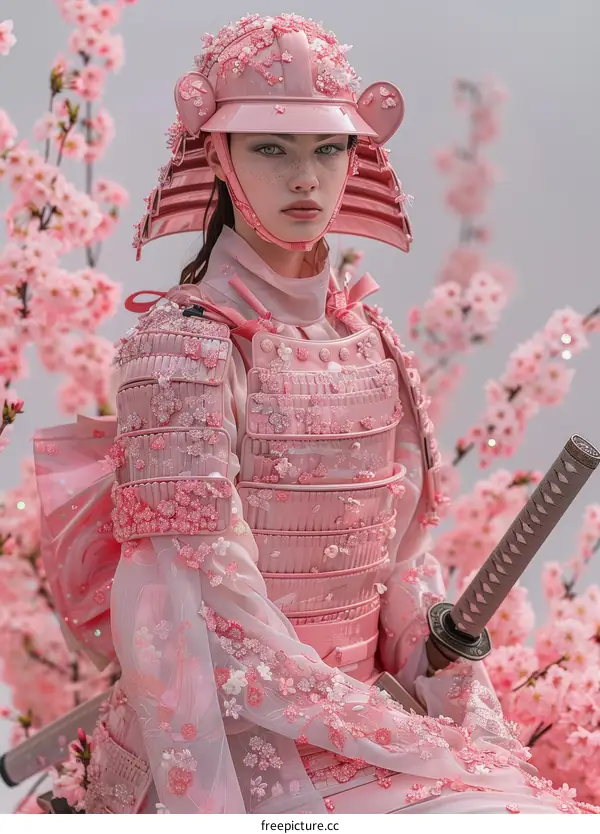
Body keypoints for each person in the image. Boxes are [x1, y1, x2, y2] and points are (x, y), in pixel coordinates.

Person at [23, 12, 600, 814]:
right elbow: (201, 599)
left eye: (328, 149)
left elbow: (402, 554)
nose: (306, 179)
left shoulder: (370, 335)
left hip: (378, 719)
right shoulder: (178, 347)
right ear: (220, 159)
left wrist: (432, 651)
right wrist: (377, 724)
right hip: (235, 736)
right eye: (271, 148)